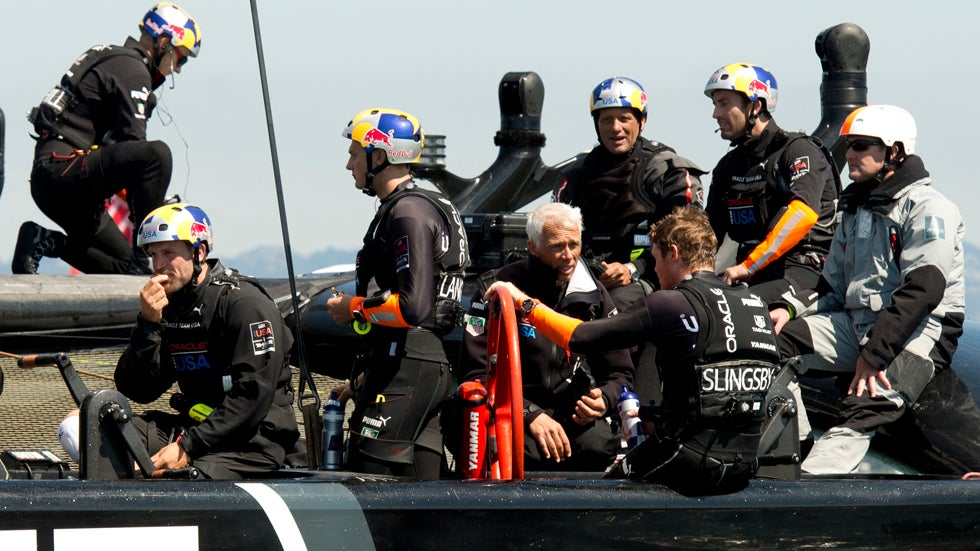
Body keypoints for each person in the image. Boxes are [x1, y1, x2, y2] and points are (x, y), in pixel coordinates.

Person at [487, 206, 781, 494]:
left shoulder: (669, 302)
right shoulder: (755, 304)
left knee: (607, 494)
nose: (653, 269)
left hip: (687, 457)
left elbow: (577, 336)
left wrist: (525, 304)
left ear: (674, 254)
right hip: (745, 462)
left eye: (654, 258)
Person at [771, 105, 965, 474]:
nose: (849, 155)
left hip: (918, 332)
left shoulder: (929, 207)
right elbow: (830, 286)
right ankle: (796, 451)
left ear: (894, 152)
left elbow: (925, 289)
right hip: (855, 325)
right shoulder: (854, 209)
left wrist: (874, 355)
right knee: (766, 345)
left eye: (860, 146)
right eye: (847, 146)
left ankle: (808, 493)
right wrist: (791, 309)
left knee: (864, 406)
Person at [59, 203, 299, 479]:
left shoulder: (243, 304)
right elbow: (137, 389)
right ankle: (126, 484)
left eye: (169, 253)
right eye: (153, 255)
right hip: (191, 430)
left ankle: (135, 481)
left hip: (251, 443)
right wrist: (148, 325)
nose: (159, 265)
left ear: (200, 252)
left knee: (177, 477)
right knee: (79, 424)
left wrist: (187, 447)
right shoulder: (172, 305)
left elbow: (253, 395)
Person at [327, 108, 469, 480]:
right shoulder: (425, 203)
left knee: (367, 480)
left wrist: (353, 309)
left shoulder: (407, 212)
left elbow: (413, 306)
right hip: (416, 364)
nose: (348, 165)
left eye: (355, 153)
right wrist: (363, 378)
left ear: (380, 156)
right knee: (422, 502)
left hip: (408, 366)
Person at [13, 2, 201, 275]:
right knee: (158, 154)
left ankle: (42, 240)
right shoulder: (133, 69)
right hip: (62, 170)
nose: (179, 69)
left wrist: (150, 199)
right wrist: (154, 210)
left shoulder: (119, 60)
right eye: (181, 58)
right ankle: (145, 250)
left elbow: (123, 160)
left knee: (128, 271)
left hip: (67, 184)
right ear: (164, 42)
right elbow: (138, 155)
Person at [459, 202, 634, 471]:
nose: (568, 256)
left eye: (574, 245)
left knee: (599, 447)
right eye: (557, 247)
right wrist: (529, 414)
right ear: (533, 247)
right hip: (513, 409)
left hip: (569, 414)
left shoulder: (593, 295)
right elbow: (474, 374)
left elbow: (620, 373)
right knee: (515, 448)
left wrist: (604, 399)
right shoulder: (496, 287)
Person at [554, 76, 705, 308]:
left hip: (651, 279)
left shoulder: (666, 171)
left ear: (641, 121)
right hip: (583, 276)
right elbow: (553, 231)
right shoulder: (576, 174)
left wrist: (633, 269)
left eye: (624, 119)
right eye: (606, 120)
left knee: (611, 307)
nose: (615, 128)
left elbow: (686, 237)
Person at [704, 63, 840, 304]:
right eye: (715, 104)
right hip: (749, 272)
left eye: (724, 103)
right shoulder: (728, 166)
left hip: (802, 270)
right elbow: (708, 232)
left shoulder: (799, 150)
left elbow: (802, 214)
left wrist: (748, 265)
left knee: (736, 309)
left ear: (755, 106)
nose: (715, 114)